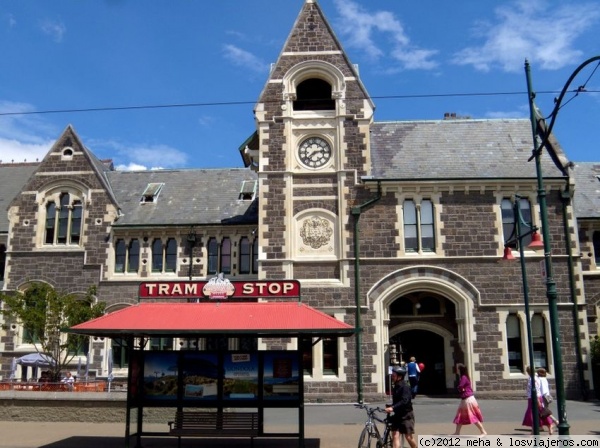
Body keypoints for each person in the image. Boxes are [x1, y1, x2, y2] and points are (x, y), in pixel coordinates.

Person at [385, 366, 417, 448]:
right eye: (392, 374)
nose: (392, 376)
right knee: (395, 435)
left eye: (394, 375)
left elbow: (405, 401)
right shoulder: (396, 386)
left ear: (400, 376)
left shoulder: (405, 387)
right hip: (398, 415)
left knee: (408, 437)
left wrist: (392, 407)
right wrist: (391, 406)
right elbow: (397, 401)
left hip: (406, 415)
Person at [452, 363, 487, 436]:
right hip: (465, 399)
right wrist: (462, 389)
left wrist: (462, 389)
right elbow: (461, 388)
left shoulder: (464, 377)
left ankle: (483, 431)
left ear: (459, 369)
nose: (456, 370)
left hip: (468, 399)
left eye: (457, 368)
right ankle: (457, 432)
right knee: (460, 416)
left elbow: (460, 387)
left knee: (472, 416)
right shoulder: (463, 377)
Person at [521, 366, 553, 434]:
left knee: (540, 413)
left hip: (535, 397)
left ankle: (550, 425)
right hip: (531, 397)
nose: (527, 373)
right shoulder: (532, 377)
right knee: (534, 414)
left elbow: (537, 390)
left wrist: (538, 399)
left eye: (528, 371)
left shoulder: (534, 378)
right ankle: (535, 429)